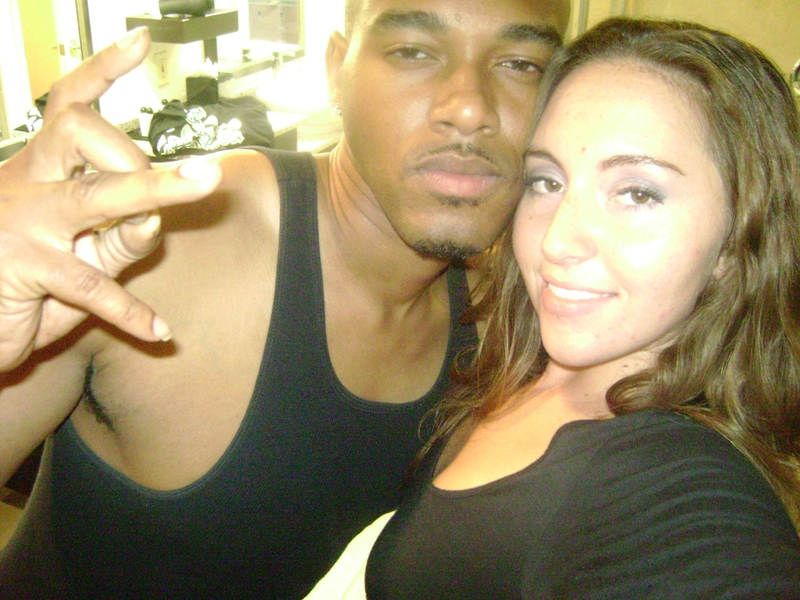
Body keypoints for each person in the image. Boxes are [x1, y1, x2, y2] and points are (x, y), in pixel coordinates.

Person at [0, 0, 571, 597]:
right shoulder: (164, 249)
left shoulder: (516, 314)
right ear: (336, 71)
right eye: (412, 52)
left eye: (521, 64)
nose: (471, 108)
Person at [365, 17, 800, 598]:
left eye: (637, 193)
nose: (556, 241)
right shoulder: (515, 360)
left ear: (739, 236)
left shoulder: (672, 476)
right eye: (547, 182)